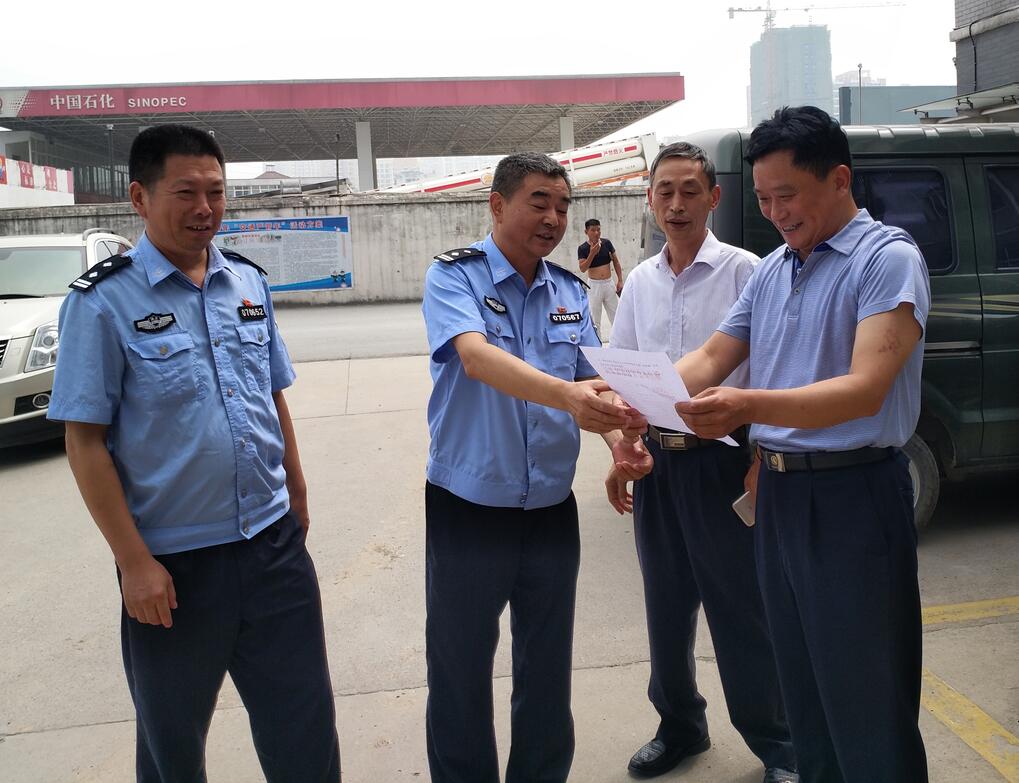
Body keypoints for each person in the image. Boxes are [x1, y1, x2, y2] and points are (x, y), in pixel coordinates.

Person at [48, 124, 341, 782]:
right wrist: (134, 562)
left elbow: (271, 394)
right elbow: (84, 440)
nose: (205, 207)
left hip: (272, 548)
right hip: (171, 567)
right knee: (172, 747)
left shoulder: (247, 283)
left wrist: (296, 494)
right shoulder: (102, 301)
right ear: (140, 197)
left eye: (216, 191)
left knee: (304, 730)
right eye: (185, 192)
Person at [670, 106, 930, 782]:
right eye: (763, 198)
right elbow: (712, 357)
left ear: (839, 179)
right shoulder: (773, 269)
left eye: (787, 195)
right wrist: (632, 395)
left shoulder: (886, 260)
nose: (775, 212)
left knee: (865, 694)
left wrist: (747, 407)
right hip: (780, 495)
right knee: (802, 689)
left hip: (852, 495)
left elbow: (864, 390)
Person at [421, 152, 640, 783]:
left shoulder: (569, 291)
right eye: (539, 202)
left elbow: (594, 381)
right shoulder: (455, 277)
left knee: (546, 667)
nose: (554, 218)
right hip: (469, 509)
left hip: (549, 509)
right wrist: (567, 396)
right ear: (497, 204)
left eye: (563, 207)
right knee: (460, 668)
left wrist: (620, 440)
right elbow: (476, 358)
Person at [603, 142, 797, 783]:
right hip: (660, 467)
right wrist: (623, 447)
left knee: (742, 609)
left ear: (714, 197)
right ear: (650, 199)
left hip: (726, 463)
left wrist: (761, 454)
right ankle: (680, 725)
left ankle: (779, 744)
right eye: (665, 191)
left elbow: (775, 371)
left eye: (690, 190)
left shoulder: (748, 272)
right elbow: (625, 377)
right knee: (665, 604)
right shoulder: (640, 282)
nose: (677, 203)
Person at [577, 218, 623, 340]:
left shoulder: (607, 243)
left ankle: (619, 343)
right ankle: (597, 346)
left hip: (609, 284)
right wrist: (592, 253)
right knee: (595, 319)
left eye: (598, 230)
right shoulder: (582, 248)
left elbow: (616, 262)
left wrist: (620, 280)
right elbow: (582, 268)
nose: (596, 233)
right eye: (593, 230)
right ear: (586, 232)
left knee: (617, 316)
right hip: (594, 286)